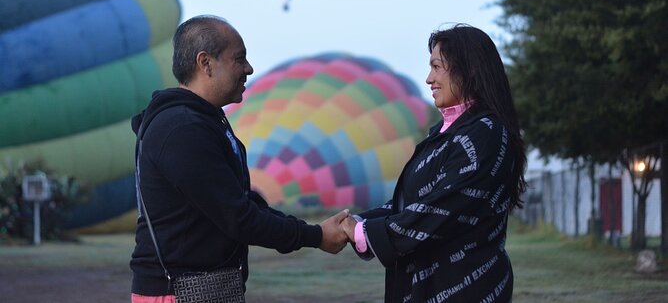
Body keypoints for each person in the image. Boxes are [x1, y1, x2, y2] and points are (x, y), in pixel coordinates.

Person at [130, 15, 349, 302]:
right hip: (181, 292)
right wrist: (315, 236)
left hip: (208, 287)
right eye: (239, 59)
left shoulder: (206, 121)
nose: (249, 68)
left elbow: (243, 201)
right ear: (205, 63)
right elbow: (239, 218)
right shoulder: (182, 129)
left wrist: (312, 230)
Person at [341, 24, 527, 303]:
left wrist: (361, 232)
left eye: (437, 67)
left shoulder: (484, 134)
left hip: (464, 289)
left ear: (470, 70)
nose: (429, 79)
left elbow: (440, 210)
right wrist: (358, 222)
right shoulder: (445, 135)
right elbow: (409, 205)